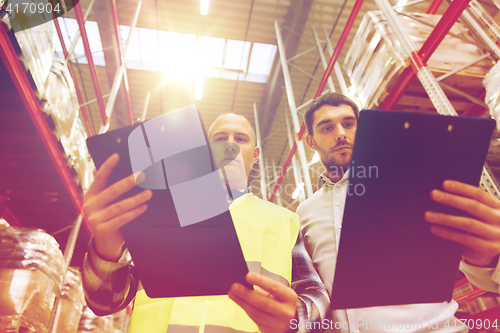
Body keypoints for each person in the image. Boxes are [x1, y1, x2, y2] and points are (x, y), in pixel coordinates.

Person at [81, 112, 329, 333]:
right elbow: (106, 303)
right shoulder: (162, 210)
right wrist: (106, 248)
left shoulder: (284, 221)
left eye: (240, 139)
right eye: (220, 138)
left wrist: (296, 318)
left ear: (255, 155)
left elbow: (316, 294)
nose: (230, 145)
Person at [296, 92, 500, 332]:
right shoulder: (304, 213)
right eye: (327, 127)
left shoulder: (413, 184)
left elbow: (482, 276)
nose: (340, 133)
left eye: (349, 124)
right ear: (311, 141)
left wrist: (489, 259)